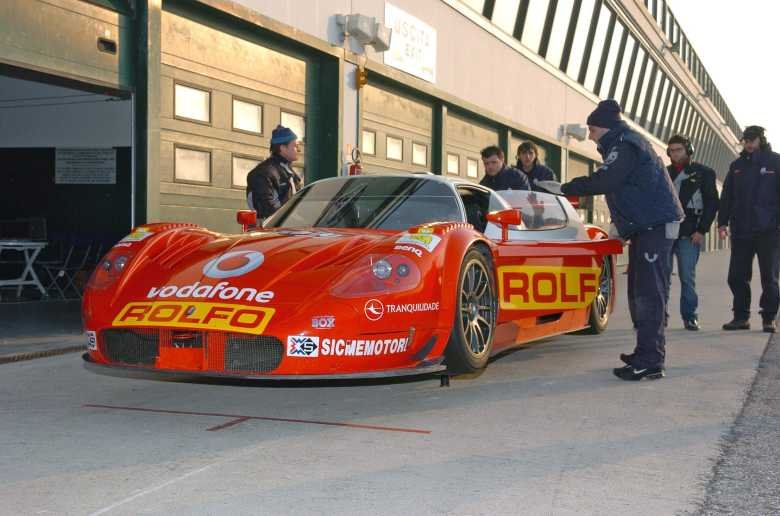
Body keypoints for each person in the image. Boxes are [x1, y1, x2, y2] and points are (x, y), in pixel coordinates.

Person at [539, 100, 684, 381]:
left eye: (592, 130)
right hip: (646, 225)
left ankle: (651, 360)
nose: (590, 136)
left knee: (649, 294)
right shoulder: (624, 142)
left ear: (604, 127)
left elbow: (606, 181)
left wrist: (565, 189)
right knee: (640, 291)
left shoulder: (625, 143)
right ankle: (646, 353)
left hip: (654, 225)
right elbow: (624, 187)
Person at [717, 125, 780, 333]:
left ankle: (769, 317)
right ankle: (741, 317)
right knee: (736, 276)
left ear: (761, 140)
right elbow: (727, 196)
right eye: (746, 140)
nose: (749, 144)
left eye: (752, 140)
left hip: (769, 230)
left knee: (769, 277)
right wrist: (722, 222)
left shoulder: (775, 162)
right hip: (742, 229)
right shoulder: (737, 166)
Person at [665, 134, 719, 331]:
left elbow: (712, 203)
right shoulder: (664, 172)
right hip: (665, 231)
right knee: (662, 277)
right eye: (671, 150)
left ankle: (690, 316)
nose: (675, 154)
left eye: (679, 149)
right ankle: (660, 316)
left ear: (689, 150)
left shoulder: (704, 173)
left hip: (690, 232)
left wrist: (702, 230)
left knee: (687, 277)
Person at [246, 125, 302, 224]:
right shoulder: (262, 173)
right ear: (283, 148)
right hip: (272, 230)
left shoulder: (290, 173)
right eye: (295, 146)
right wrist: (300, 221)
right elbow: (269, 210)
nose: (299, 150)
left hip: (290, 227)